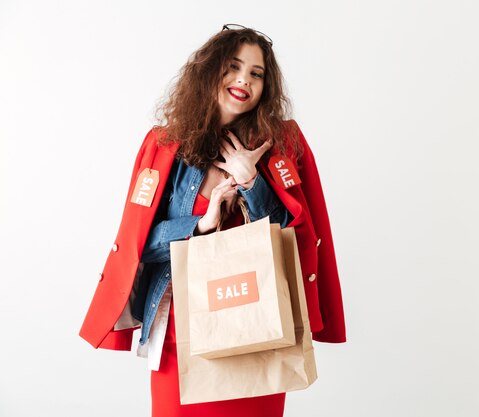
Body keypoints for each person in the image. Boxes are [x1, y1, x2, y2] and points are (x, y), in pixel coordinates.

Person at [79, 24, 346, 417]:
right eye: (234, 67)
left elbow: (296, 235)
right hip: (180, 334)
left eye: (257, 73)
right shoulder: (165, 144)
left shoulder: (282, 142)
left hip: (259, 330)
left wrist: (252, 182)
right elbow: (143, 245)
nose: (244, 80)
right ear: (209, 71)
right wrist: (202, 223)